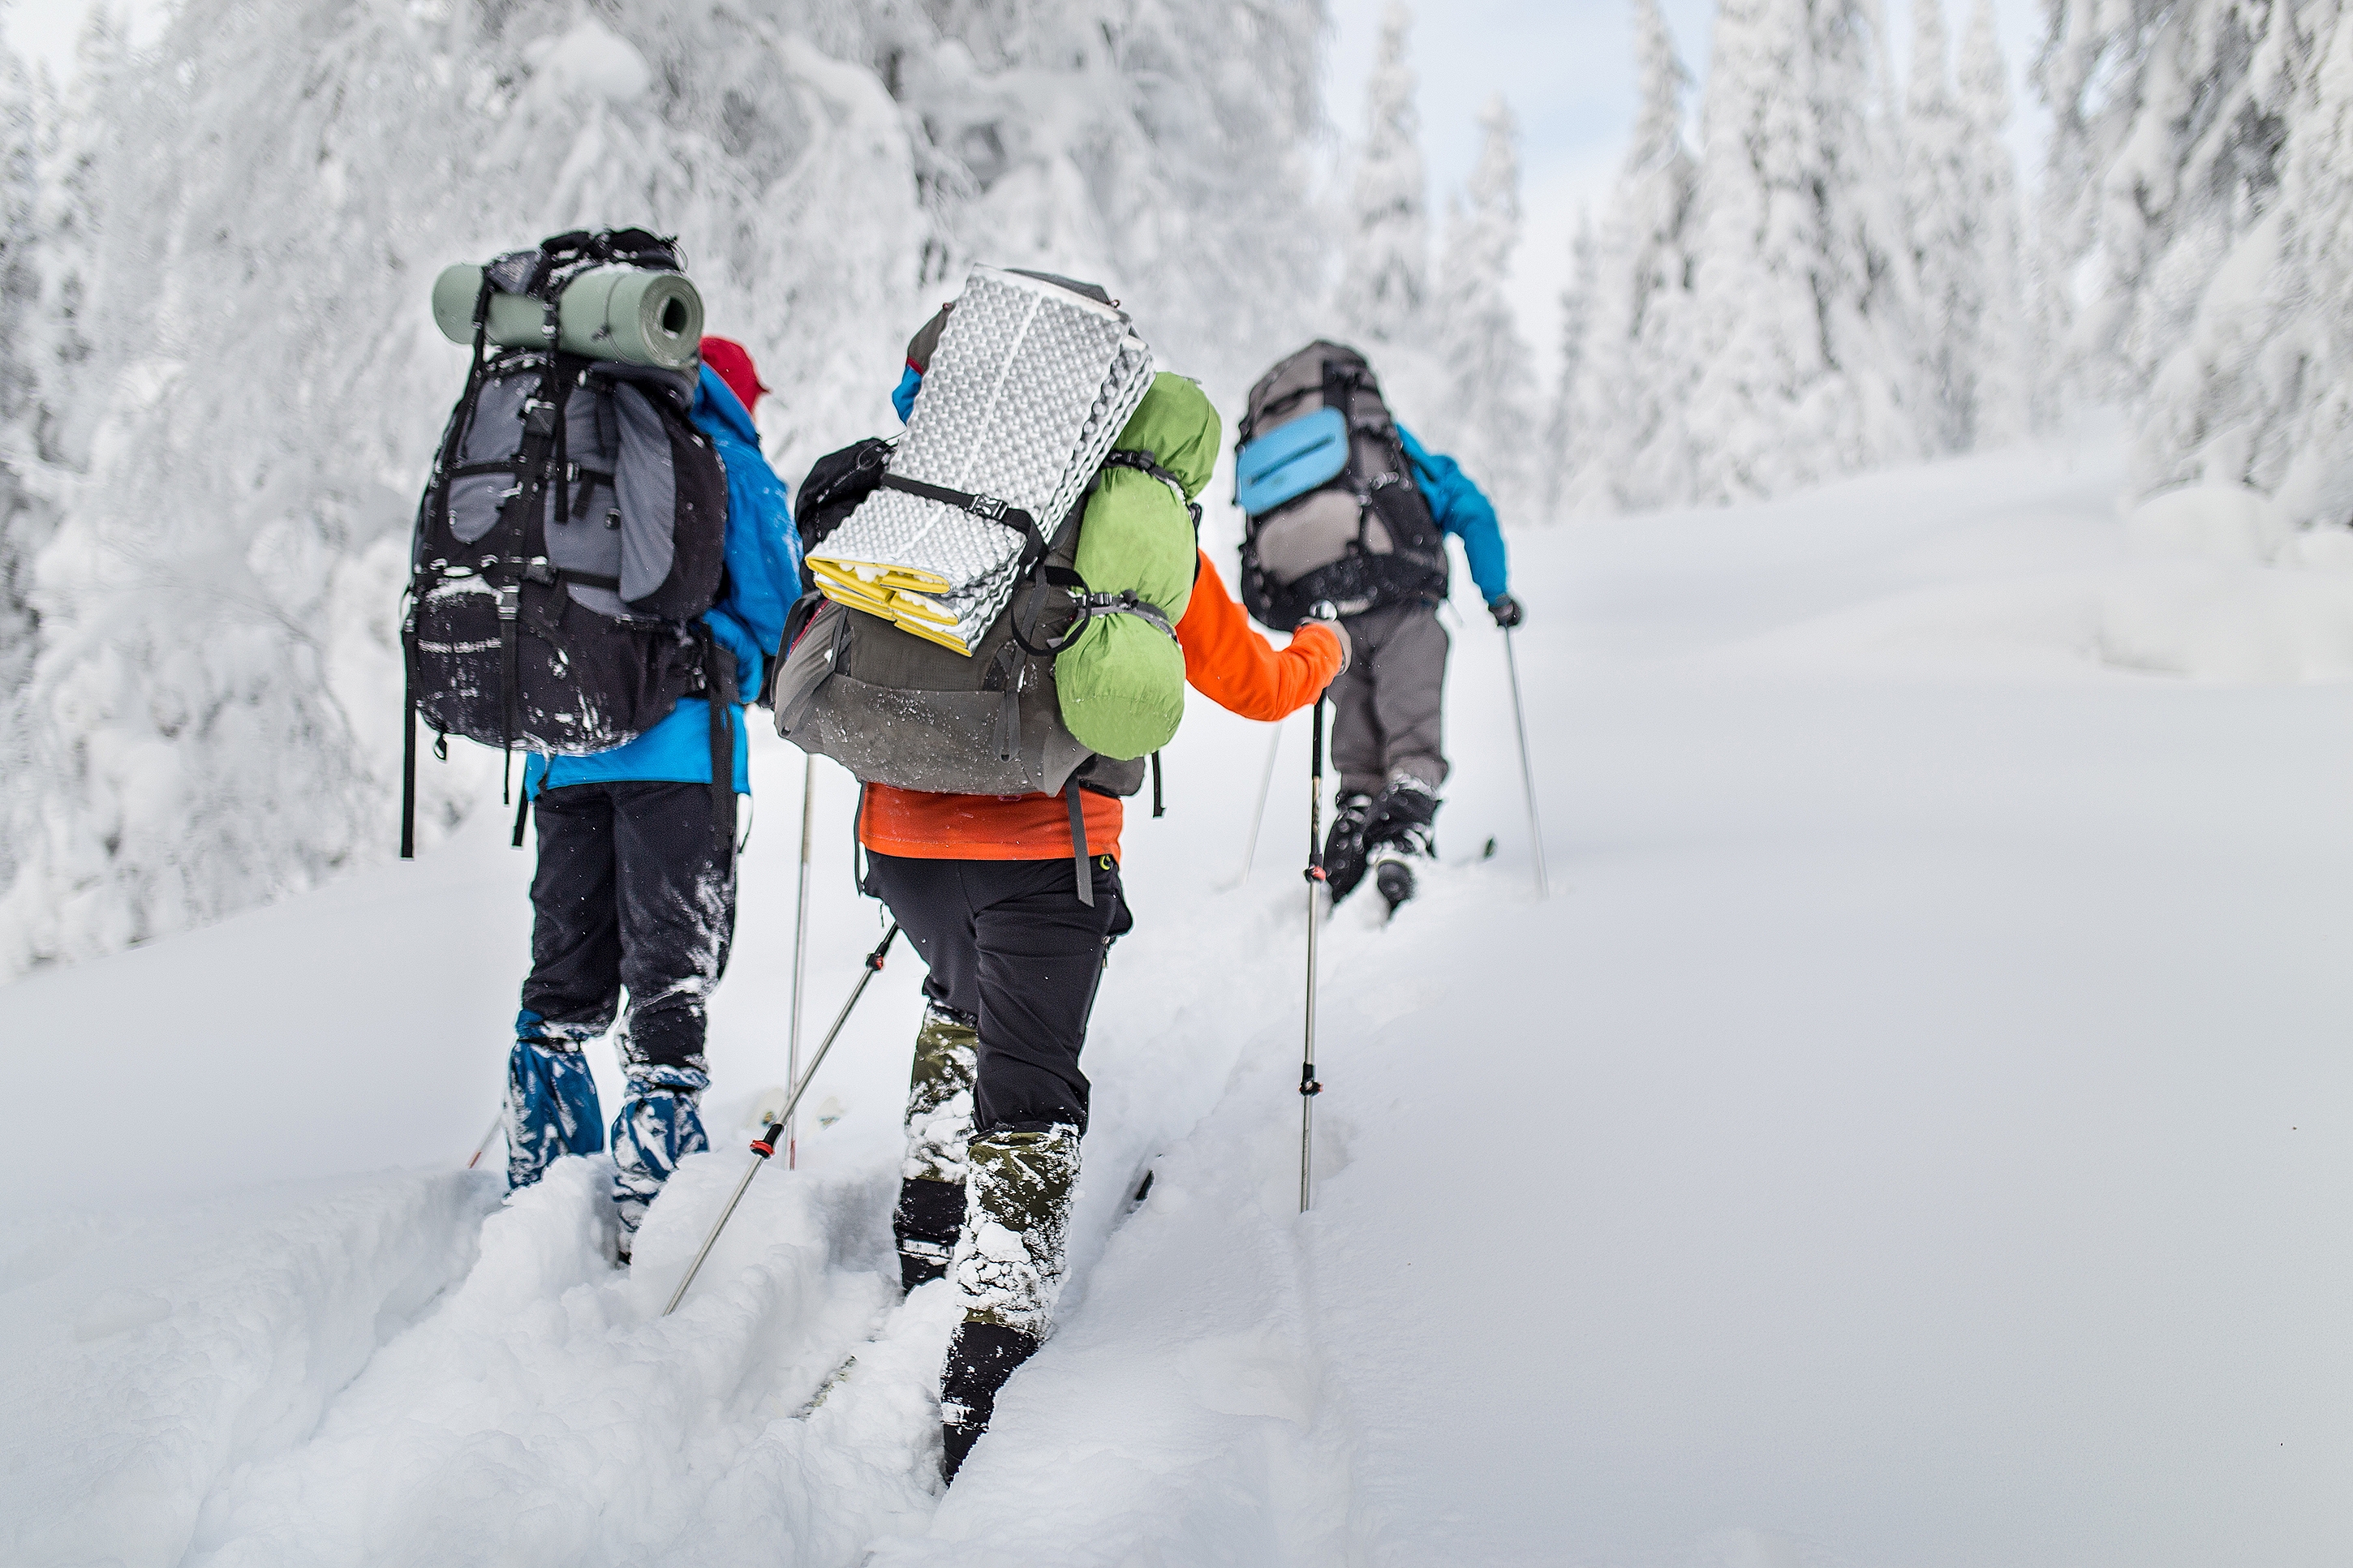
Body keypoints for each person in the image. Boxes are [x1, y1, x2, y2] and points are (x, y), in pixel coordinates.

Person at [866, 308, 1347, 1483]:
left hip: (902, 835)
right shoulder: (1133, 528)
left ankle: (929, 1222)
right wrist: (1325, 648)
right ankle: (991, 1341)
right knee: (1032, 1086)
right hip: (1048, 844)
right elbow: (1262, 683)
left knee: (951, 993)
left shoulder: (920, 488)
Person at [501, 335, 800, 1257]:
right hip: (676, 750)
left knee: (565, 967)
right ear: (729, 389)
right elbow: (776, 611)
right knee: (670, 967)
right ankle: (655, 1196)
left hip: (562, 749)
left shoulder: (565, 451)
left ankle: (540, 1172)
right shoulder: (724, 457)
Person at [1320, 420, 1520, 912]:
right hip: (1407, 610)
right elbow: (1471, 510)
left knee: (1356, 747)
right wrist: (1496, 592)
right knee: (1412, 738)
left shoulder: (1321, 470)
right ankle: (1400, 842)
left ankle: (1352, 830)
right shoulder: (1405, 455)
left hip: (1337, 621)